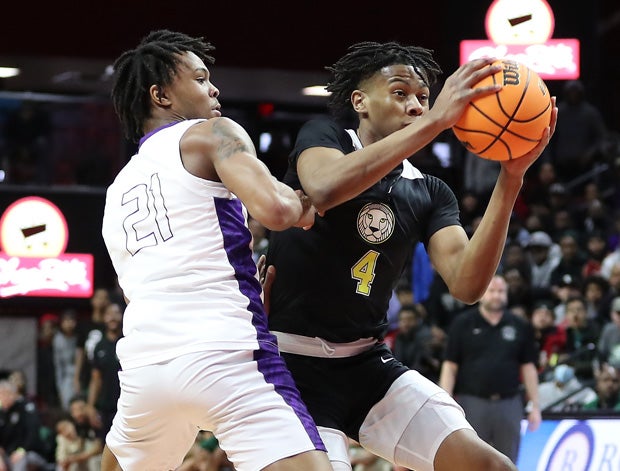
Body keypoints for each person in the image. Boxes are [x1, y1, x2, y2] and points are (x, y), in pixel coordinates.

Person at [265, 41, 556, 471]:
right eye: (400, 92)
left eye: (424, 98)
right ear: (359, 101)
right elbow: (325, 188)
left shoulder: (430, 192)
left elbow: (467, 284)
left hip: (364, 365)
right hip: (287, 363)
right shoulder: (324, 137)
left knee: (492, 467)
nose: (417, 105)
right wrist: (438, 119)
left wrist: (511, 178)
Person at [100, 29, 332, 471]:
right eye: (201, 78)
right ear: (161, 95)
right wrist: (308, 200)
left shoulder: (117, 191)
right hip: (226, 353)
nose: (214, 88)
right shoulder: (210, 133)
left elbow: (136, 291)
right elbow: (278, 211)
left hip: (145, 369)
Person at [439, 275, 541, 463]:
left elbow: (528, 368)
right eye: (492, 291)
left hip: (509, 403)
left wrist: (535, 405)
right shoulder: (462, 323)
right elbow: (450, 366)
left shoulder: (519, 325)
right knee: (471, 461)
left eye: (501, 291)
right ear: (482, 294)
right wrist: (445, 402)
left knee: (508, 461)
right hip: (472, 402)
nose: (496, 296)